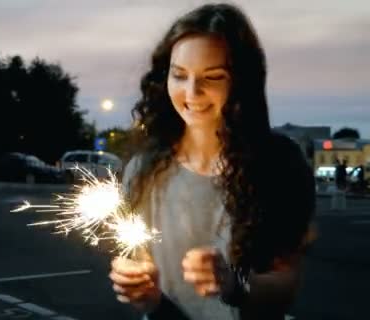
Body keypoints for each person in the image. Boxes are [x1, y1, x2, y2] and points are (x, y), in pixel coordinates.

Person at [109, 3, 316, 320]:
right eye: (179, 75)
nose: (192, 92)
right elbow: (144, 269)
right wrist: (141, 292)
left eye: (213, 77)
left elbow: (285, 286)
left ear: (241, 81)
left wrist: (234, 285)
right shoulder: (143, 169)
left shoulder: (278, 163)